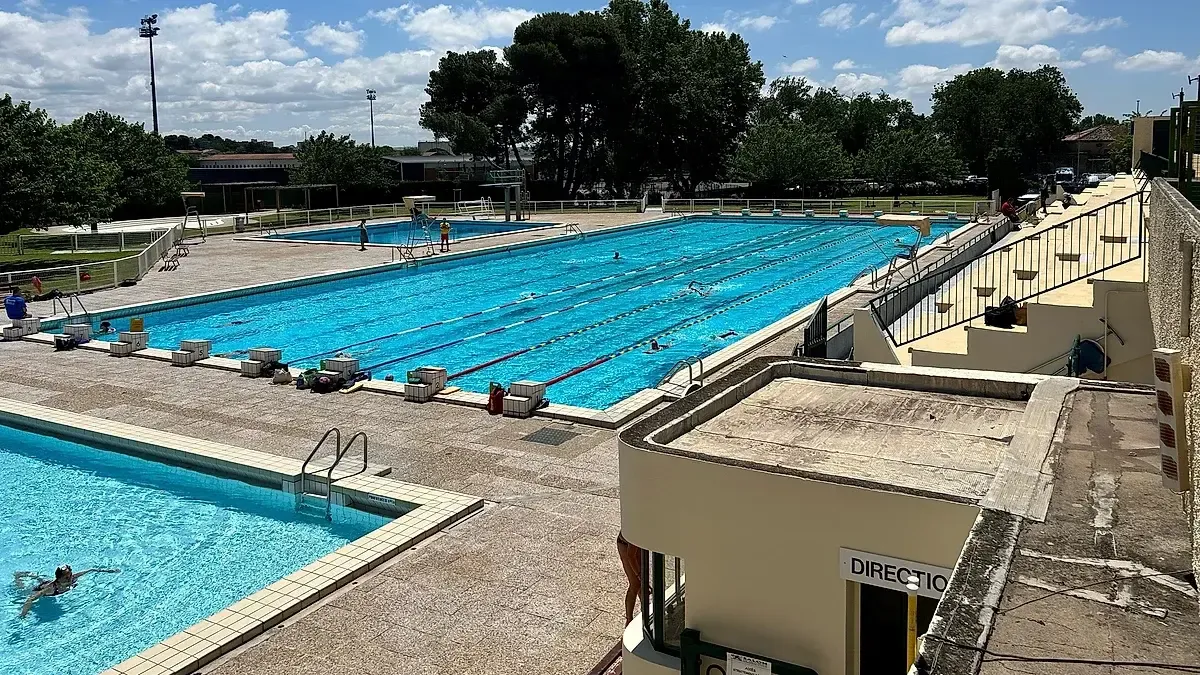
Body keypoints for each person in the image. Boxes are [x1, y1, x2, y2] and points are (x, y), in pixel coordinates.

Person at [15, 565, 119, 618]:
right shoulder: (50, 588)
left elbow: (90, 570)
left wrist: (109, 571)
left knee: (42, 579)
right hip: (41, 588)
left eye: (70, 575)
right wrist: (23, 615)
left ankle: (34, 576)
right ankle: (18, 576)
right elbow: (30, 599)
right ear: (59, 578)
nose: (69, 579)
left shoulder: (73, 578)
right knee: (23, 591)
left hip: (51, 583)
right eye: (66, 577)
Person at [616, 532, 645, 626]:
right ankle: (629, 619)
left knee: (641, 583)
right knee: (635, 583)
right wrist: (639, 575)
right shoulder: (638, 532)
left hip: (636, 544)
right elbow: (631, 556)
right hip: (625, 544)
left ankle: (645, 611)